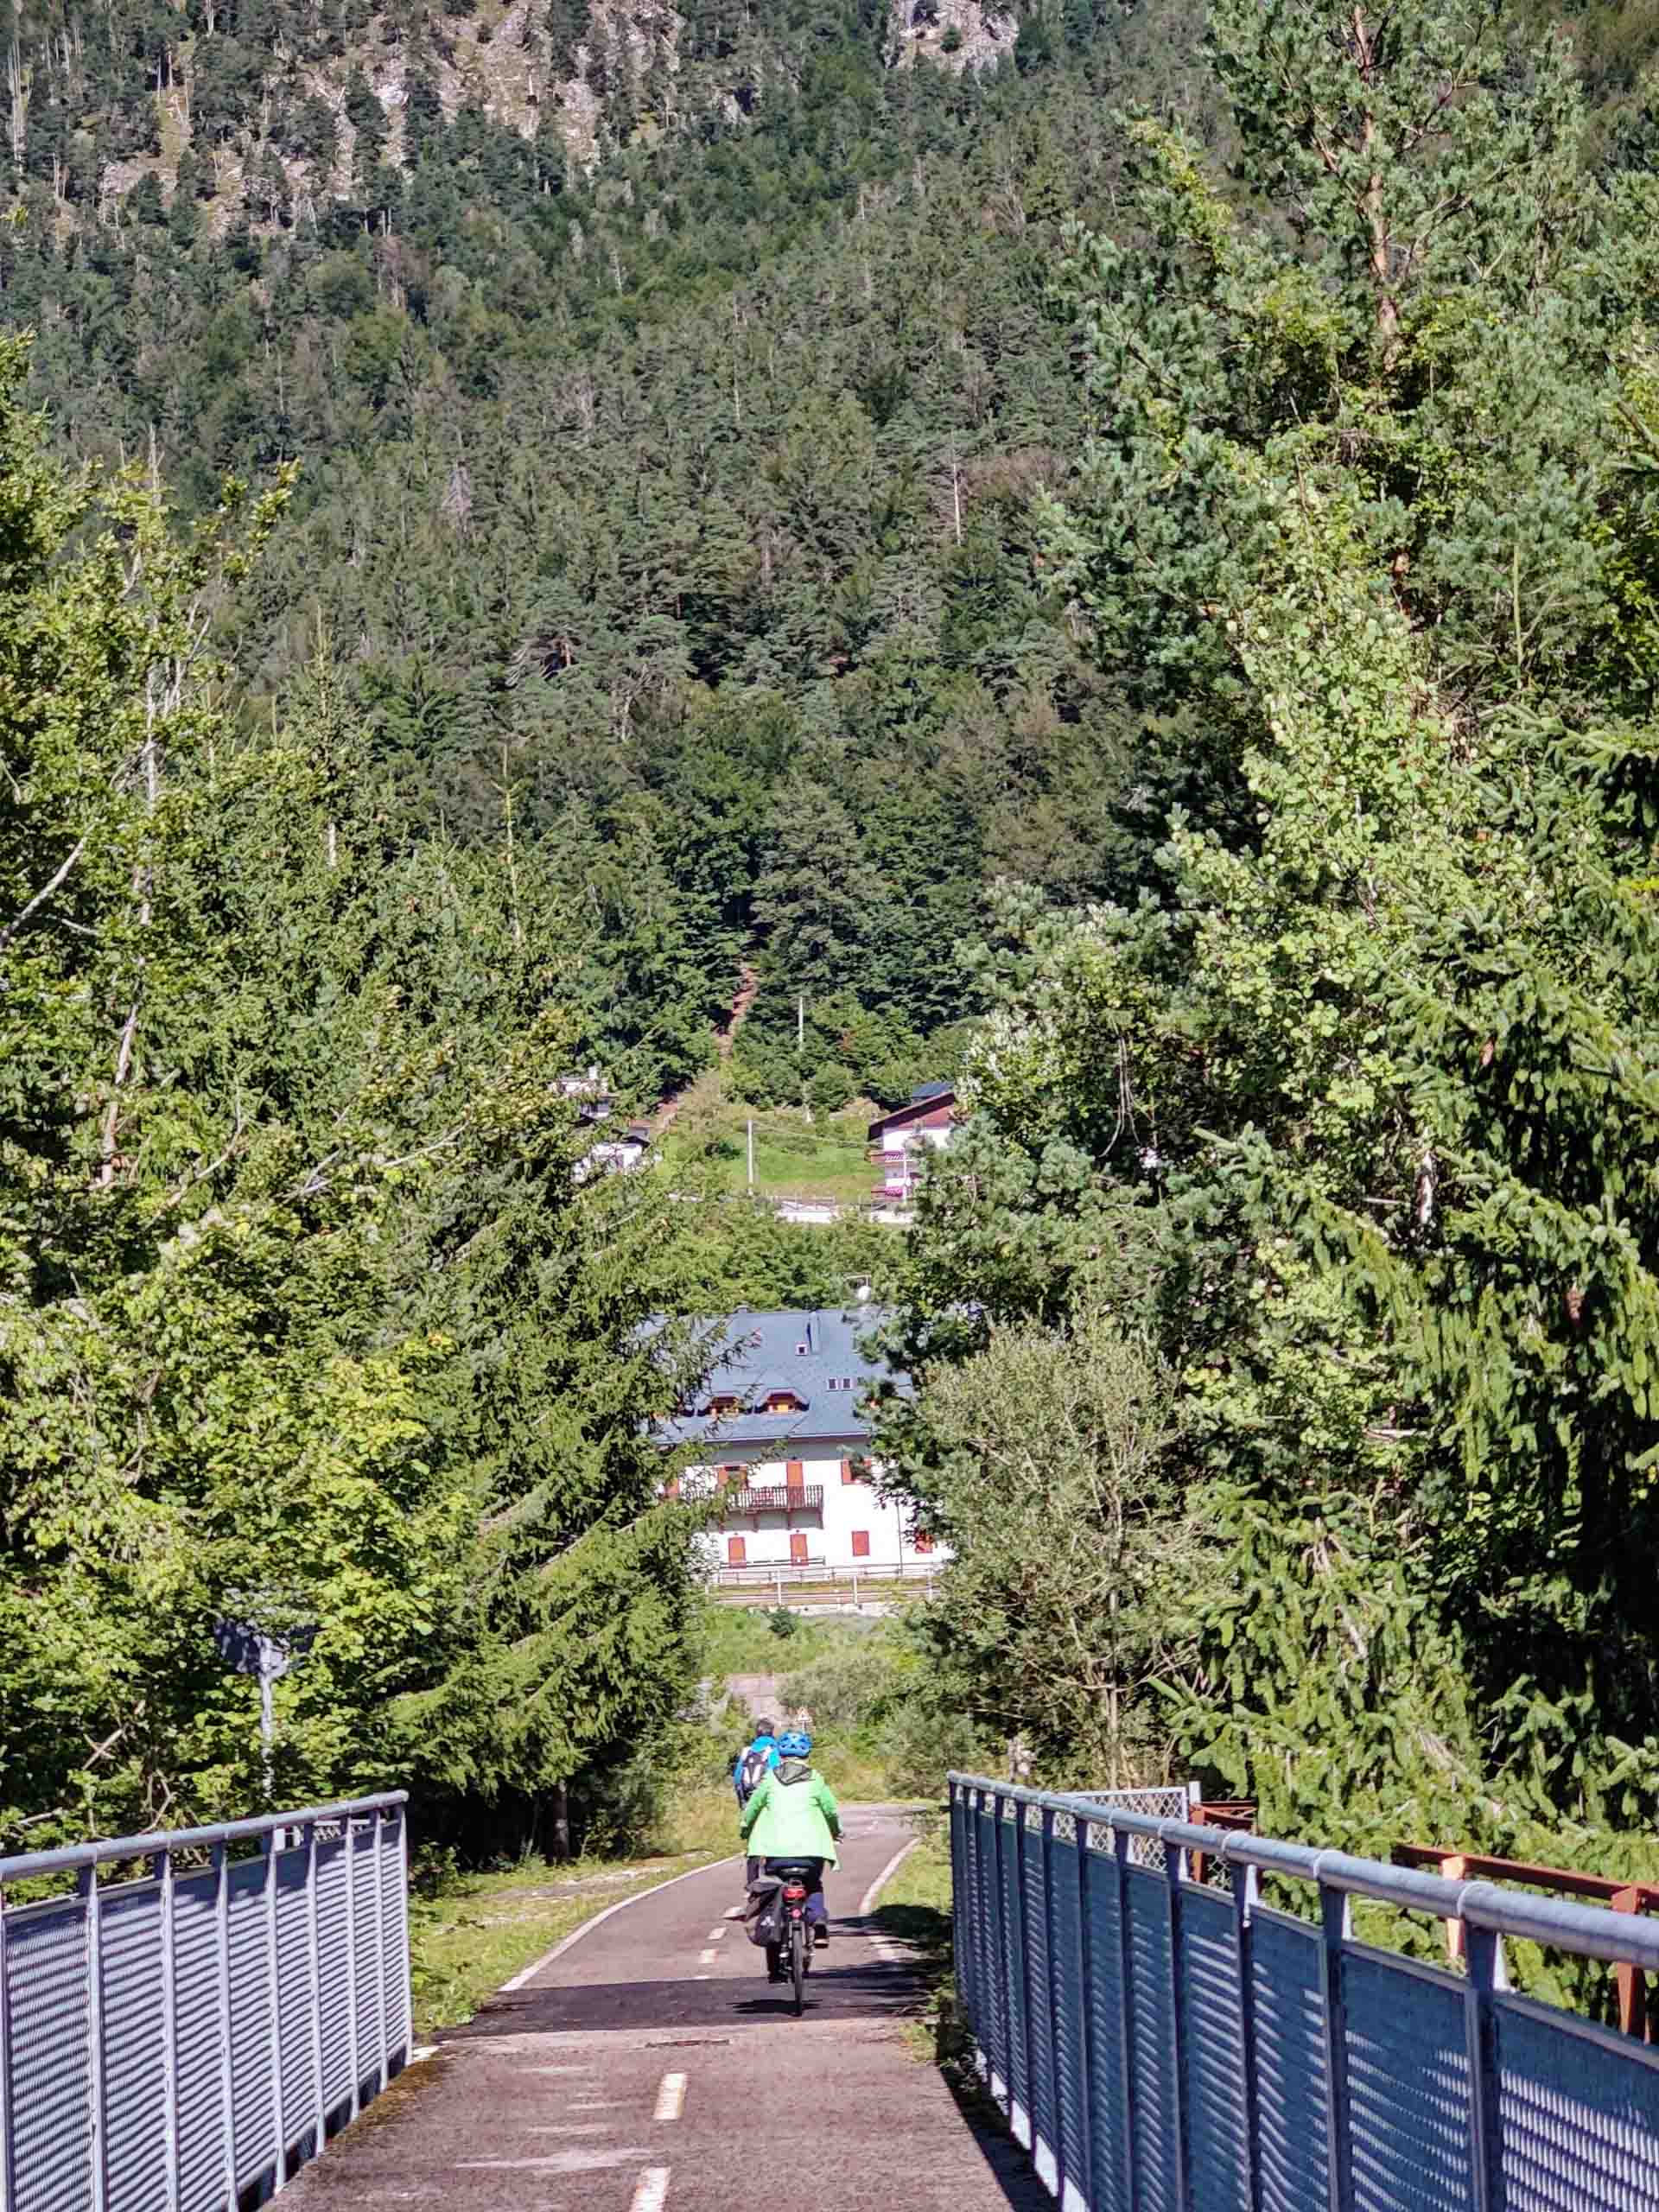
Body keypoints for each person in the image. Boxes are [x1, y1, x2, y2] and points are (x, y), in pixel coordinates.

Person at [739, 1727, 840, 1974]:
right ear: (807, 1756)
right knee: (813, 1884)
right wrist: (835, 1831)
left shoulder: (770, 1779)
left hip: (776, 1853)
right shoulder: (816, 1779)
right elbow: (831, 1810)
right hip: (811, 1852)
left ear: (781, 1755)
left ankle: (774, 1949)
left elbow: (752, 1809)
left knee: (774, 1891)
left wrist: (745, 1830)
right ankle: (818, 1919)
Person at [733, 1719, 781, 1883]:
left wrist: (742, 1802)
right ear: (772, 1733)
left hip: (749, 1798)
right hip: (768, 1801)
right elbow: (776, 1775)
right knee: (773, 1834)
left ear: (757, 1733)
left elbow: (737, 1778)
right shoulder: (773, 1750)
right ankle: (773, 1873)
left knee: (754, 1840)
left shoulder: (747, 1751)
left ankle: (751, 1883)